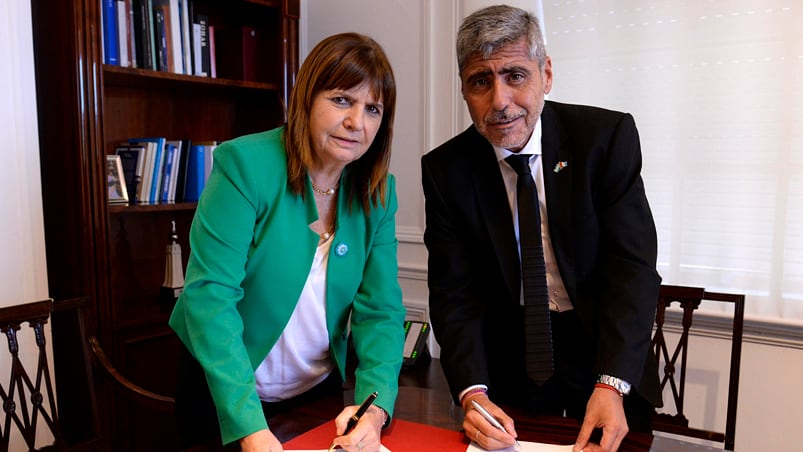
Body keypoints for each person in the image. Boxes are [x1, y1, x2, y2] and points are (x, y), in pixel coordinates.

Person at [421, 5, 662, 452]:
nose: (499, 102)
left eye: (515, 75)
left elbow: (633, 269)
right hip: (510, 366)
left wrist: (612, 384)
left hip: (604, 351)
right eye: (481, 81)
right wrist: (473, 393)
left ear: (546, 74)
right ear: (463, 89)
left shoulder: (604, 138)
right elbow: (455, 295)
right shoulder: (446, 170)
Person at [169, 32, 405, 452]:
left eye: (373, 108)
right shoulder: (245, 165)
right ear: (307, 97)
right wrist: (249, 427)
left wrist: (375, 408)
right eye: (341, 100)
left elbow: (380, 312)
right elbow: (210, 298)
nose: (357, 122)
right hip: (224, 392)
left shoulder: (378, 193)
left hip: (314, 394)